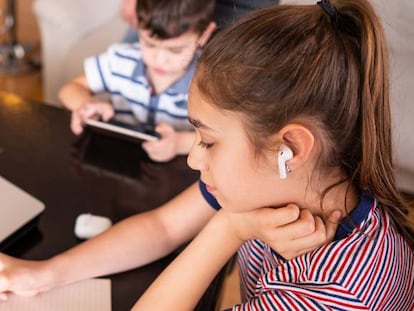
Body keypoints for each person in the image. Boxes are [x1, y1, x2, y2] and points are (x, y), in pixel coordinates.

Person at [132, 0, 414, 309]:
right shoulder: (285, 184)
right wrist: (66, 270)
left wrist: (228, 229)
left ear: (289, 149)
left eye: (209, 142)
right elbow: (163, 227)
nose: (193, 159)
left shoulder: (334, 297)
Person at [59, 0, 216, 162]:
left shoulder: (209, 82)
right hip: (117, 160)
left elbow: (221, 137)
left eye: (175, 50)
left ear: (204, 34)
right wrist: (86, 105)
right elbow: (70, 89)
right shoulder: (121, 60)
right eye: (149, 44)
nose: (159, 60)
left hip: (178, 171)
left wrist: (178, 143)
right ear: (138, 25)